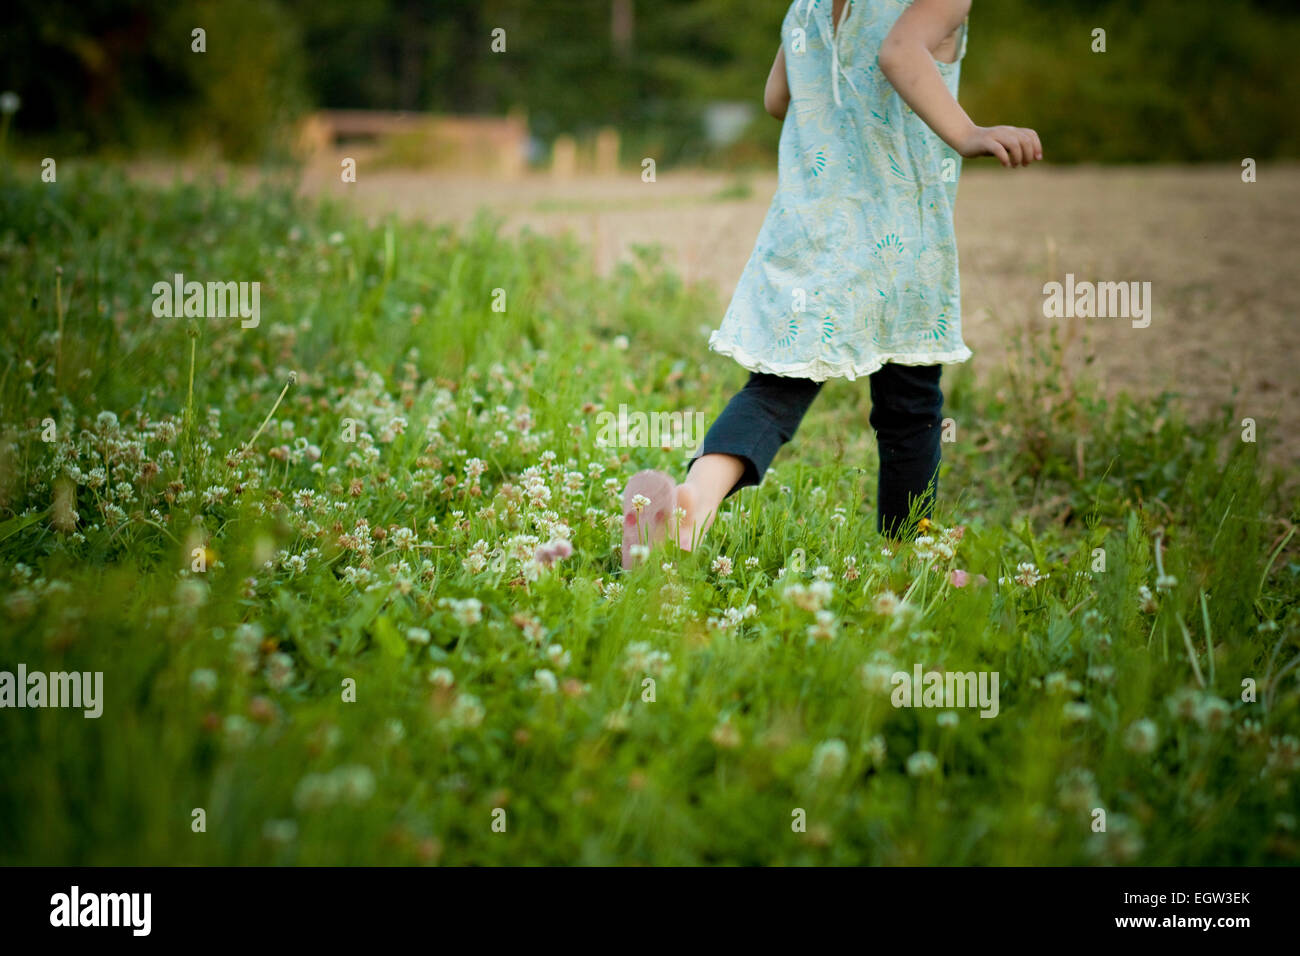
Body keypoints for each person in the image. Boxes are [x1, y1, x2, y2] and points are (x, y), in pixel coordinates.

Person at [621, 0, 1041, 570]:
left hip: (808, 229)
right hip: (897, 238)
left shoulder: (809, 7)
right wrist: (967, 132)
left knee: (774, 389)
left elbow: (777, 99)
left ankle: (695, 501)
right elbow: (898, 52)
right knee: (910, 405)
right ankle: (907, 559)